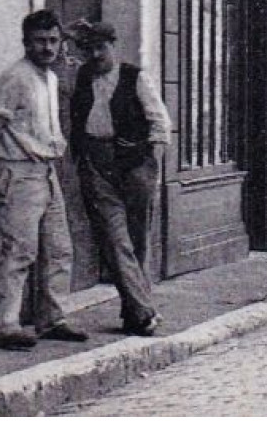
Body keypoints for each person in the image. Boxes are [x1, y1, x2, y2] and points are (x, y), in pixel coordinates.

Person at [0, 9, 85, 351]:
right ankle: (4, 325)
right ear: (26, 42)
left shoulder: (50, 79)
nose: (47, 48)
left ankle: (52, 318)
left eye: (53, 41)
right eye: (40, 41)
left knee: (58, 248)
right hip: (19, 171)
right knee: (20, 250)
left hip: (46, 172)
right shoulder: (15, 77)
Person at [68, 21, 170, 335]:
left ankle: (135, 312)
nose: (96, 54)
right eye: (90, 49)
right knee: (115, 240)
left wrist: (151, 166)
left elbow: (160, 123)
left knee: (137, 240)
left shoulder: (135, 77)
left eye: (102, 47)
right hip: (97, 164)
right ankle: (143, 312)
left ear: (114, 46)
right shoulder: (83, 76)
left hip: (135, 165)